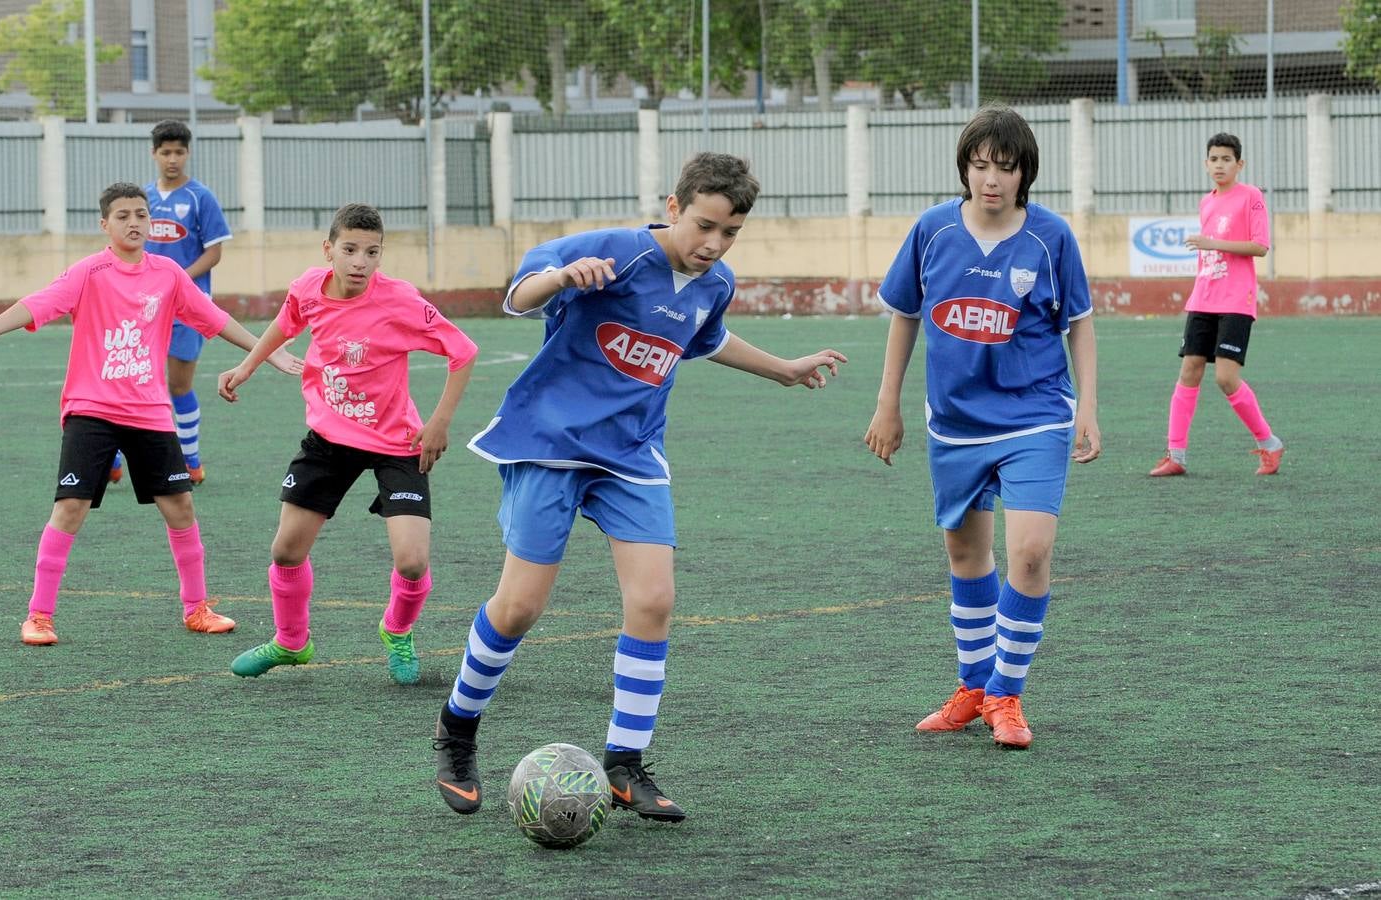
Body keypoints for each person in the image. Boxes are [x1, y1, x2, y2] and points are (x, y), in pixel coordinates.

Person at [431, 152, 847, 820]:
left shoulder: (715, 284)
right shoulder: (613, 252)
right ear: (673, 207)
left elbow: (706, 340)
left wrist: (784, 370)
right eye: (705, 226)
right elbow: (517, 296)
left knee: (653, 600)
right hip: (551, 443)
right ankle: (457, 731)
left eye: (730, 233)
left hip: (631, 453)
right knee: (518, 609)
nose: (713, 244)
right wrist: (561, 277)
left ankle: (625, 763)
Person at [0, 182, 300, 646]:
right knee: (71, 507)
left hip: (149, 412)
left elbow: (212, 317)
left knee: (181, 507)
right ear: (104, 224)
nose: (134, 223)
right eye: (123, 215)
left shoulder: (169, 274)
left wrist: (265, 351)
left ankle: (196, 608)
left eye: (141, 214)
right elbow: (40, 303)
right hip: (91, 410)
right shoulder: (90, 272)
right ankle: (39, 616)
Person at [863, 105, 1101, 750]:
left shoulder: (1050, 237)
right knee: (966, 555)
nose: (990, 178)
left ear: (1025, 173)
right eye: (979, 164)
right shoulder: (933, 230)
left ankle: (1005, 693)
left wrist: (1087, 405)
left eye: (1005, 166)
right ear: (965, 167)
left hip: (1035, 414)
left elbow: (1077, 321)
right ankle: (972, 687)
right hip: (956, 423)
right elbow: (905, 315)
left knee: (1028, 551)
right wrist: (889, 404)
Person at [218, 204, 478, 685]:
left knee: (413, 559)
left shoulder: (400, 300)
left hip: (396, 441)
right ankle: (292, 642)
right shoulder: (308, 288)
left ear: (381, 255)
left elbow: (463, 351)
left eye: (372, 252)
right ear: (329, 250)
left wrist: (439, 422)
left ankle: (397, 632)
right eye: (350, 250)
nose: (360, 261)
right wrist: (247, 366)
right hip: (328, 438)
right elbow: (286, 322)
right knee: (286, 552)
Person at [1149, 132, 1282, 477]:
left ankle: (1269, 444)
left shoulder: (1250, 196)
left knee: (1225, 377)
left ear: (1240, 164)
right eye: (1214, 159)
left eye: (1226, 159)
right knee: (1189, 369)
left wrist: (1213, 242)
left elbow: (1260, 247)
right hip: (1204, 297)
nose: (1219, 165)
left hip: (1237, 299)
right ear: (1205, 164)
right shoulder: (1206, 202)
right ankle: (1176, 455)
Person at [112, 120, 233, 486]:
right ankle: (114, 455)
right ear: (154, 154)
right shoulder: (143, 199)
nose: (172, 159)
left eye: (179, 152)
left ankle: (191, 459)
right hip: (145, 306)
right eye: (165, 152)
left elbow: (214, 252)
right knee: (132, 378)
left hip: (188, 308)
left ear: (188, 153)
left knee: (178, 384)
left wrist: (178, 280)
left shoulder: (200, 197)